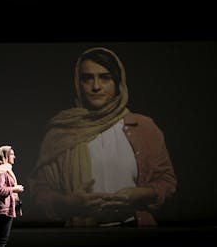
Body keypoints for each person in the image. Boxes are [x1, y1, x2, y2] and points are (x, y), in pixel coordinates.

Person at [29, 47, 177, 227]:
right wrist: (68, 204)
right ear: (78, 83)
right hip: (81, 237)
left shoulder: (143, 128)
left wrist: (140, 195)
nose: (96, 86)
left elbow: (166, 181)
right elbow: (40, 191)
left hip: (136, 231)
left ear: (118, 82)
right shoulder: (61, 131)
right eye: (87, 78)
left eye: (105, 77)